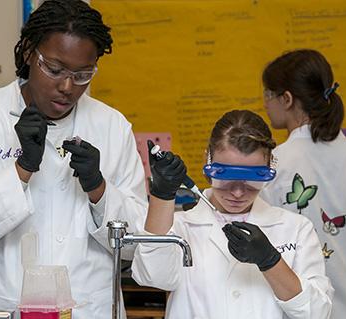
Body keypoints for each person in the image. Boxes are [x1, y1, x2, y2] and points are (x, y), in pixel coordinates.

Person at [0, 0, 147, 317]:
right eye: (55, 69)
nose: (67, 87)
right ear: (28, 53)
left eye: (83, 74)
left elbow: (136, 247)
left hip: (87, 308)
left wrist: (99, 190)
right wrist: (20, 171)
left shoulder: (112, 127)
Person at [131, 110, 333, 319]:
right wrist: (162, 195)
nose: (237, 192)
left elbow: (317, 313)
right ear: (207, 161)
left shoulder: (296, 228)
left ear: (270, 166)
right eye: (225, 178)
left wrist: (270, 261)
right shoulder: (180, 225)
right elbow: (154, 277)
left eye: (253, 179)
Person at [260, 49, 346, 319]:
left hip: (297, 310)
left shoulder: (273, 165)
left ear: (287, 99)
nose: (265, 104)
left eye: (268, 95)